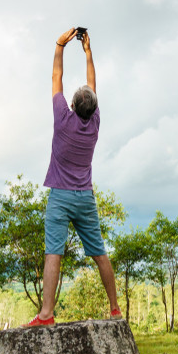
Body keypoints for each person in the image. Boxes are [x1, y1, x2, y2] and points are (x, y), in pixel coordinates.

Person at [23, 27, 122, 327]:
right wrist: (88, 51)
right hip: (84, 197)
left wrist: (59, 45)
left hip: (61, 195)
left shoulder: (62, 118)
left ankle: (46, 315)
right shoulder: (94, 124)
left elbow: (56, 79)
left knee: (53, 251)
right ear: (92, 109)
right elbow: (93, 84)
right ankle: (115, 309)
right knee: (99, 252)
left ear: (72, 106)